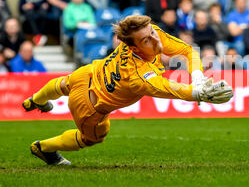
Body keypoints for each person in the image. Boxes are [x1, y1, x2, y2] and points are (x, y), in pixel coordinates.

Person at [23, 15, 233, 165]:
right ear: (134, 48)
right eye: (147, 40)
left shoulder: (149, 34)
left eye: (152, 32)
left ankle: (35, 100)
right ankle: (43, 148)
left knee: (63, 84)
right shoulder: (137, 76)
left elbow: (187, 50)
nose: (155, 39)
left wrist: (197, 77)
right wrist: (198, 93)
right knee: (93, 138)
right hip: (88, 105)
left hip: (88, 73)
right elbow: (170, 89)